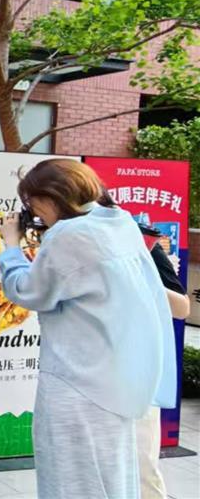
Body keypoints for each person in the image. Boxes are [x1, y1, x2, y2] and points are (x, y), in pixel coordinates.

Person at [0, 159, 176, 499]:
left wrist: (10, 246)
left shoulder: (69, 236)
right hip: (118, 381)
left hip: (77, 383)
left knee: (73, 478)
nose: (33, 211)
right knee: (113, 475)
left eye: (32, 202)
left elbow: (29, 291)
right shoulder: (120, 222)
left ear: (50, 197)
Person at [97, 195, 192, 498]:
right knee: (95, 469)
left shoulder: (139, 239)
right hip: (88, 373)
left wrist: (137, 277)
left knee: (141, 467)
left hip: (136, 370)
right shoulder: (68, 242)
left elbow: (182, 307)